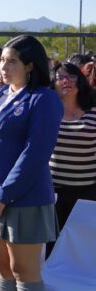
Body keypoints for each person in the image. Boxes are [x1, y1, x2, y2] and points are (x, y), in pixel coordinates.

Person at [0, 35, 63, 291]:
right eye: (2, 62)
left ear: (30, 66)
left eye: (12, 62)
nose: (3, 68)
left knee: (24, 270)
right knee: (2, 268)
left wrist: (3, 194)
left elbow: (35, 154)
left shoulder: (43, 99)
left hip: (24, 199)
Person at [47, 62, 96, 256]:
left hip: (88, 190)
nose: (66, 81)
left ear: (80, 81)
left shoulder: (93, 110)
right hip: (53, 190)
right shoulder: (46, 111)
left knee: (82, 245)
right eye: (60, 77)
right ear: (53, 82)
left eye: (71, 76)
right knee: (52, 244)